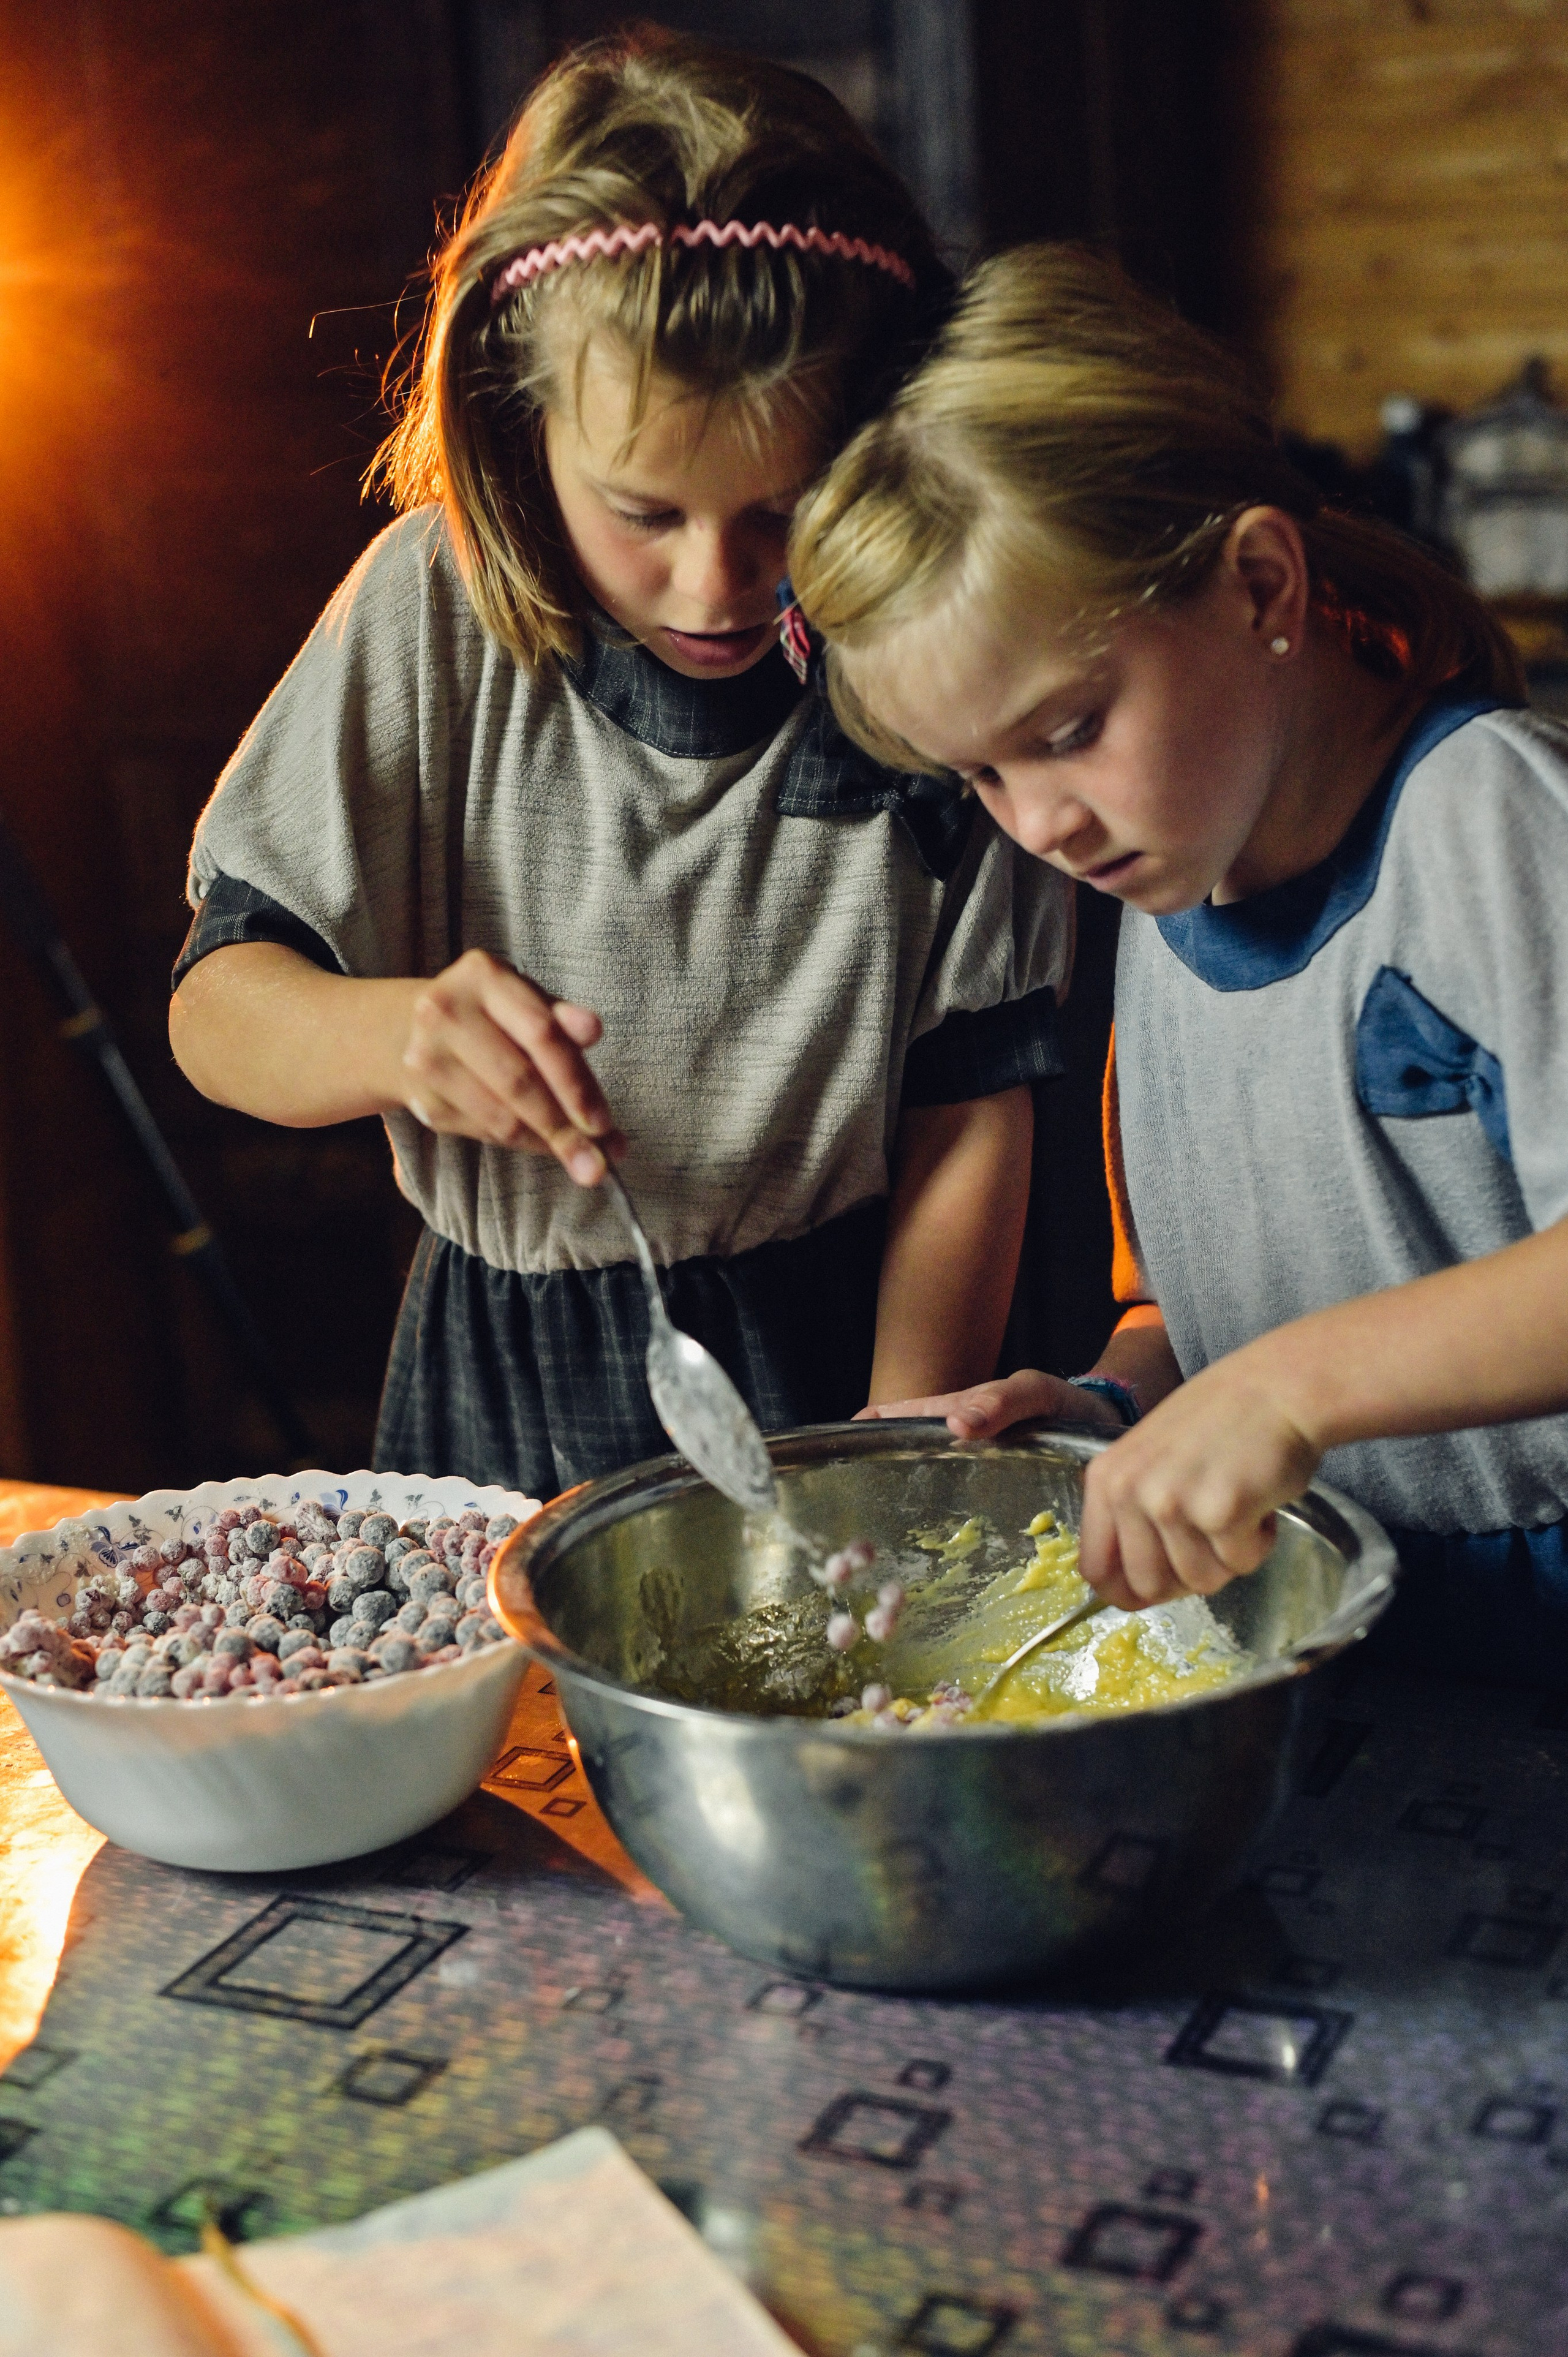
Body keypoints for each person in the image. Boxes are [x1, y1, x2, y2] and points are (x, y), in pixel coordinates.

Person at [168, 32, 1072, 1498]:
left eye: (781, 510)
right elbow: (216, 1012)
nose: (714, 583)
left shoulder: (930, 654)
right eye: (643, 510)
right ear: (520, 429)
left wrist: (886, 1462)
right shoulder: (432, 611)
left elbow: (970, 1109)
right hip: (496, 1366)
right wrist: (395, 1038)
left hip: (845, 1352)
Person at [788, 242, 1568, 1679]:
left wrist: (1285, 1393)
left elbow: (1299, 1360)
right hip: (1325, 1643)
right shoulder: (1163, 881)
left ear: (1260, 585)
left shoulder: (1492, 824)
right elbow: (1194, 1302)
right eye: (980, 778)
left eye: (1069, 728)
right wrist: (1110, 1404)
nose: (1039, 825)